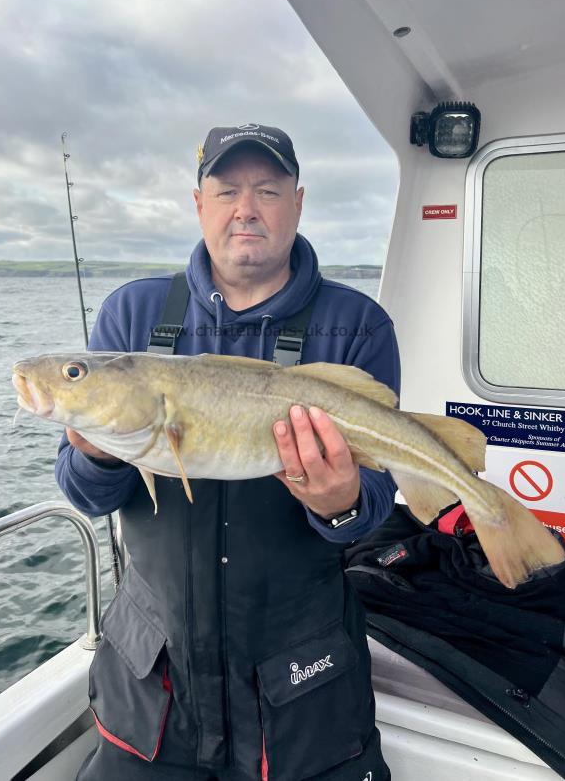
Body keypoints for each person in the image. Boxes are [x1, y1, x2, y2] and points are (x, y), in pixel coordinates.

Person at [56, 124, 400, 781]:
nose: (247, 208)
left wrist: (341, 503)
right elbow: (84, 494)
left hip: (301, 688)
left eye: (267, 190)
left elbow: (375, 509)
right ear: (199, 204)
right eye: (228, 190)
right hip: (150, 680)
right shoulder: (132, 315)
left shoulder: (355, 324)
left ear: (296, 203)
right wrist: (98, 456)